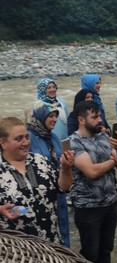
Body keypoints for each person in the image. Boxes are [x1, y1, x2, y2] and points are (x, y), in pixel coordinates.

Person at [70, 101, 117, 263]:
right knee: (90, 254)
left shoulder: (104, 136)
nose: (100, 120)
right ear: (81, 119)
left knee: (106, 249)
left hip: (109, 203)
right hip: (88, 208)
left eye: (100, 116)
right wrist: (112, 161)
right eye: (94, 117)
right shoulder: (74, 142)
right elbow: (91, 172)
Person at [1, 116, 73, 244]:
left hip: (51, 244)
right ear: (3, 143)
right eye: (19, 138)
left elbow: (64, 187)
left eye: (27, 137)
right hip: (16, 250)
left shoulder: (40, 161)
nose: (26, 142)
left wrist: (66, 169)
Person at [27, 105, 71, 247]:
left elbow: (59, 161)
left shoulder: (54, 137)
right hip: (40, 191)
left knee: (62, 225)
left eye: (55, 116)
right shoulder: (29, 138)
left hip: (58, 188)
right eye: (50, 116)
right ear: (41, 117)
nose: (55, 119)